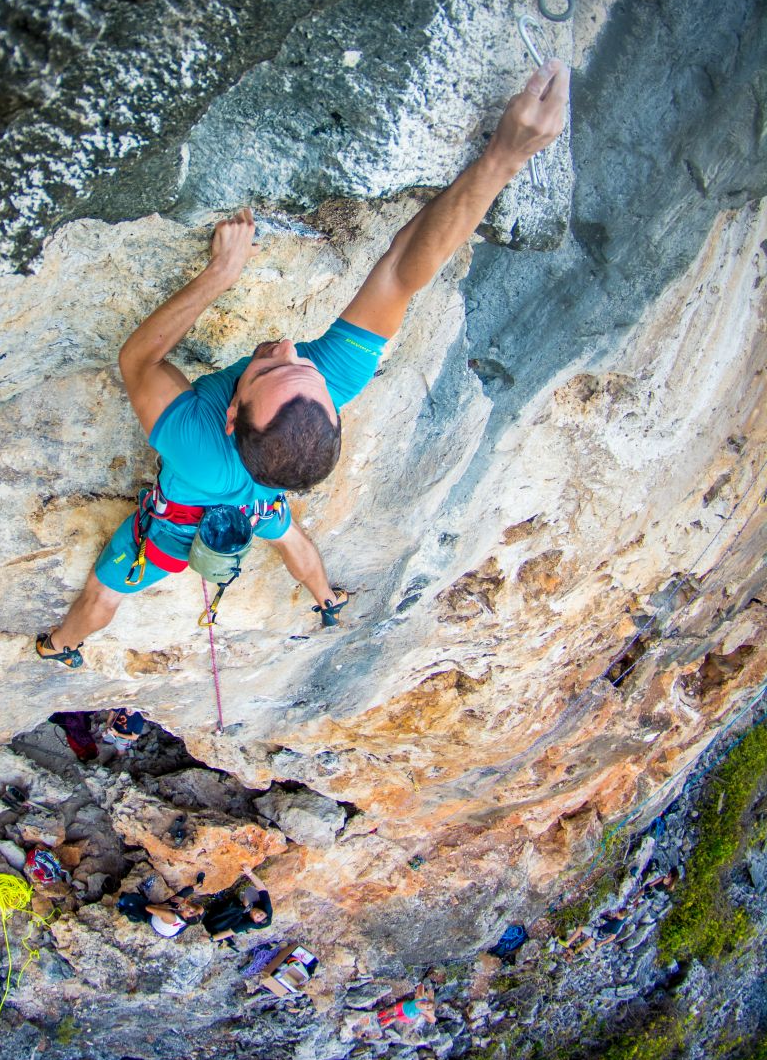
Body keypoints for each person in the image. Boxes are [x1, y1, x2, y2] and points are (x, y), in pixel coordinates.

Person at [37, 61, 569, 666]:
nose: (288, 348)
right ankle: (326, 599)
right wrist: (504, 157)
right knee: (290, 536)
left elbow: (137, 358)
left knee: (103, 596)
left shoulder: (195, 441)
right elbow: (401, 271)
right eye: (302, 368)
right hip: (254, 505)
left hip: (179, 515)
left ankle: (58, 646)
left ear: (231, 414)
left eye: (269, 370)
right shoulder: (329, 383)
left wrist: (220, 275)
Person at [203, 864, 273, 942]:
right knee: (250, 890)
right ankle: (244, 903)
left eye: (257, 917)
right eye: (261, 914)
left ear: (254, 920)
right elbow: (262, 888)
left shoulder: (248, 923)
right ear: (265, 912)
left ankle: (243, 907)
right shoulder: (266, 906)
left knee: (235, 912)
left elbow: (229, 932)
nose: (257, 914)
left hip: (245, 915)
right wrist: (249, 873)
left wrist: (211, 939)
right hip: (255, 901)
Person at [116, 885, 206, 939]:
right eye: (193, 911)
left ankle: (134, 912)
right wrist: (184, 901)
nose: (190, 909)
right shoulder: (189, 918)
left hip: (157, 924)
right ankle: (198, 885)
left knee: (126, 900)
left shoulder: (169, 915)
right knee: (178, 899)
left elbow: (148, 908)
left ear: (186, 918)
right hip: (175, 930)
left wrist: (160, 906)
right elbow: (201, 909)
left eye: (190, 912)